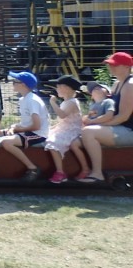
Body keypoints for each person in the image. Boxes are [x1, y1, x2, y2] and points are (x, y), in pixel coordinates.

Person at [78, 52, 133, 183]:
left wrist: (94, 124)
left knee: (88, 132)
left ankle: (97, 174)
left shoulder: (130, 85)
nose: (110, 67)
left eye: (115, 65)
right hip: (120, 127)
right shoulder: (117, 84)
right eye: (109, 65)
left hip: (129, 130)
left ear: (127, 66)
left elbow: (123, 117)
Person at [0, 71, 50, 182]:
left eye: (14, 81)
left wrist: (17, 129)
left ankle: (32, 168)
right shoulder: (24, 99)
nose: (12, 83)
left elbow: (36, 126)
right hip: (28, 131)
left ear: (23, 85)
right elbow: (26, 122)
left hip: (38, 134)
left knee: (6, 142)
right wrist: (14, 127)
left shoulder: (32, 101)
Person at [45, 75, 85, 184]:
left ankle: (60, 172)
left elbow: (62, 115)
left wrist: (53, 103)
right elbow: (64, 120)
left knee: (52, 143)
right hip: (64, 128)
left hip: (72, 131)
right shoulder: (66, 102)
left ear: (67, 88)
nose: (56, 89)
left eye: (58, 87)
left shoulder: (72, 102)